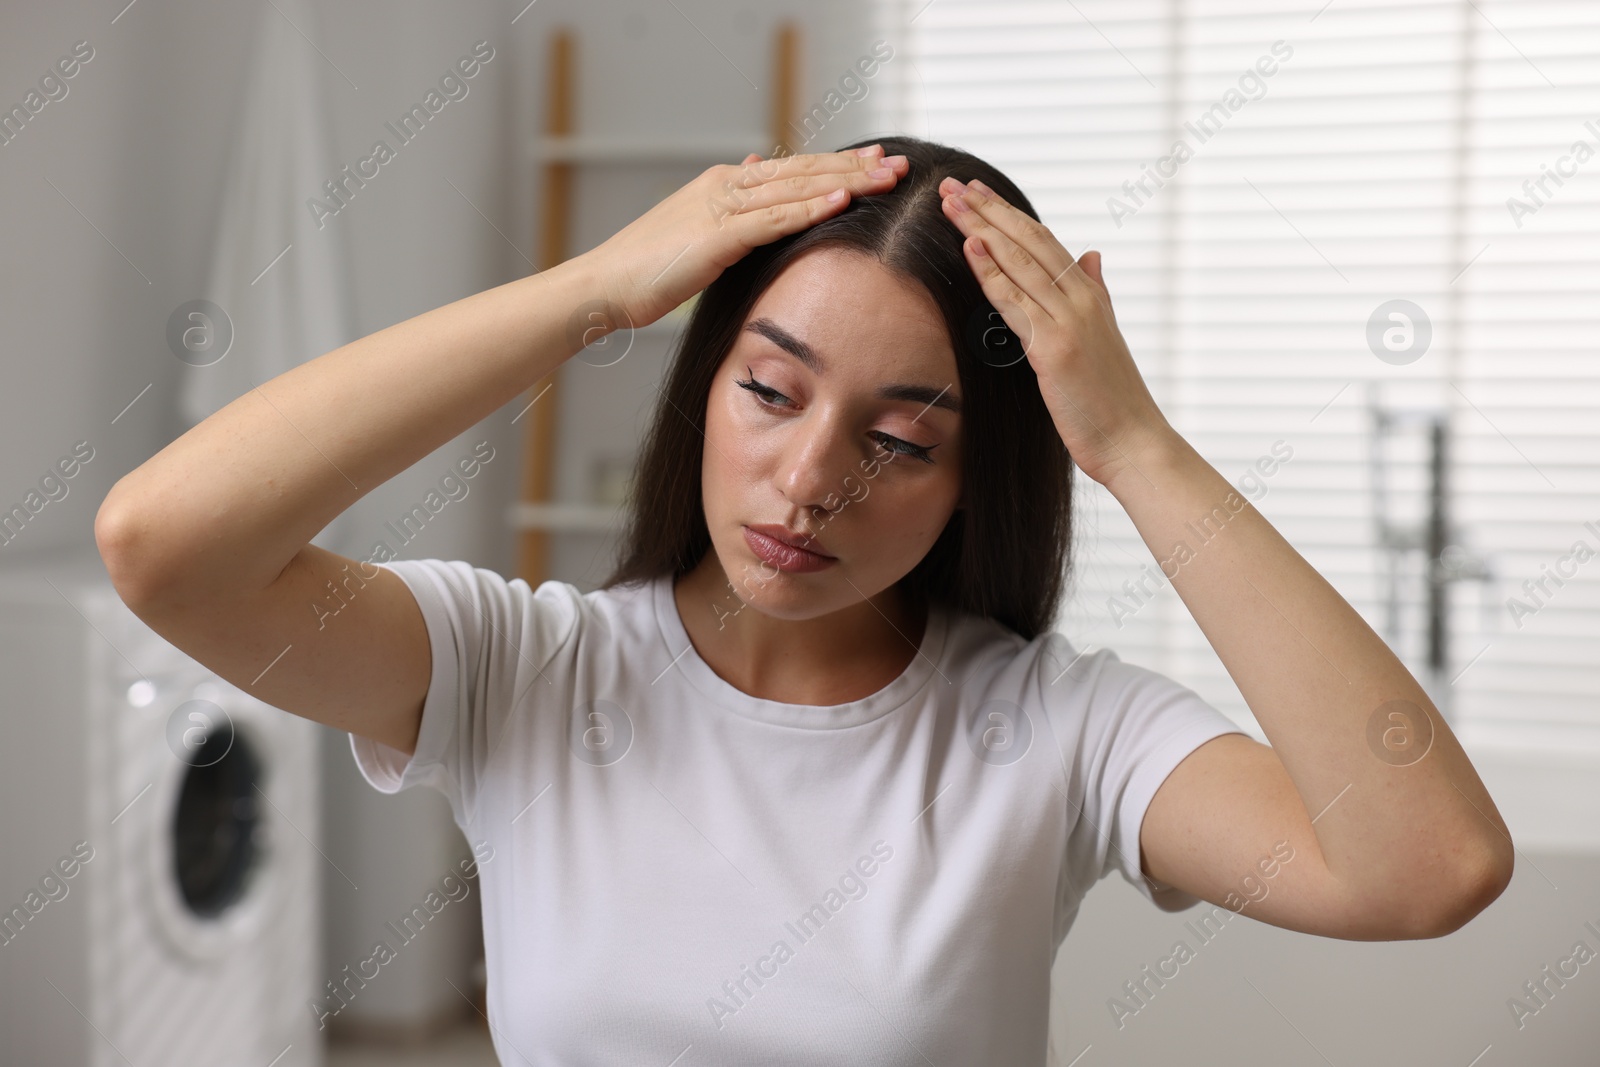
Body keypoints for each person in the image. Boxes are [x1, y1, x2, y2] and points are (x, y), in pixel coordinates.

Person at [96, 134, 1514, 1064]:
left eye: (899, 440)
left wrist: (1133, 446)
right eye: (769, 391)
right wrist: (594, 292)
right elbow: (165, 541)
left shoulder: (1056, 732)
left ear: (978, 480)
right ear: (704, 388)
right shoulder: (522, 668)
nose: (811, 479)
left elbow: (1427, 866)